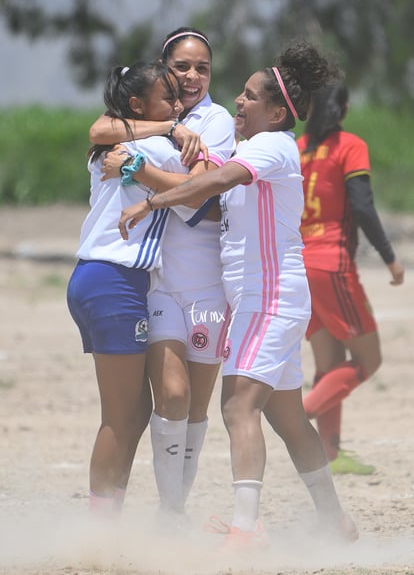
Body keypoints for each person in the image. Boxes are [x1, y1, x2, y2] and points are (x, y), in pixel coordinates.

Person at [117, 40, 359, 548]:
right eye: (241, 94)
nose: (238, 103)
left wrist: (151, 201)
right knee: (287, 416)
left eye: (250, 97)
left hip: (268, 299)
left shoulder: (273, 146)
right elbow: (213, 170)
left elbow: (216, 181)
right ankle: (333, 520)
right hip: (271, 300)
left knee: (237, 406)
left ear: (276, 112)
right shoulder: (257, 146)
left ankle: (246, 529)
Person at [89, 27, 235, 519]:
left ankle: (172, 514)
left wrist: (134, 171)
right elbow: (100, 130)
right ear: (163, 70)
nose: (192, 76)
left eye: (203, 68)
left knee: (195, 409)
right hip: (152, 282)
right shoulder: (154, 115)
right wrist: (167, 129)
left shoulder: (215, 121)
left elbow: (196, 195)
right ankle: (156, 513)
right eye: (181, 67)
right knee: (169, 396)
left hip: (207, 281)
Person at [67, 59, 204, 519]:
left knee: (136, 411)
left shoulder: (119, 142)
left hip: (96, 278)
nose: (179, 103)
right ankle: (98, 534)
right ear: (137, 106)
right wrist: (176, 130)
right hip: (115, 282)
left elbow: (101, 128)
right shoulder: (158, 146)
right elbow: (201, 189)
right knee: (121, 417)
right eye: (168, 97)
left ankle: (107, 523)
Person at [294, 80, 404, 474]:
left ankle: (331, 456)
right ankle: (297, 413)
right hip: (331, 264)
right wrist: (390, 257)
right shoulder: (349, 145)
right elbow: (361, 205)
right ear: (342, 109)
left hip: (298, 265)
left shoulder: (296, 149)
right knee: (368, 359)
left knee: (330, 362)